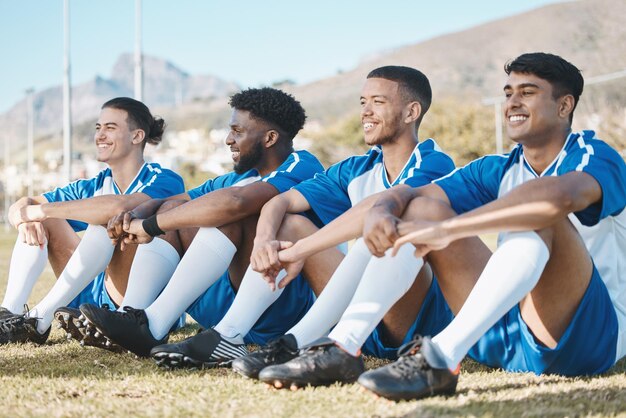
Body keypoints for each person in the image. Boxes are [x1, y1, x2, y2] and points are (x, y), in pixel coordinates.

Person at [349, 52, 625, 401]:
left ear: (564, 105)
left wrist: (452, 229)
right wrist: (383, 207)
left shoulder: (595, 155)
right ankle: (344, 345)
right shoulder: (497, 167)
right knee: (422, 209)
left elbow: (555, 200)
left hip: (582, 339)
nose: (512, 102)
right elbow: (414, 193)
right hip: (503, 337)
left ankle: (441, 357)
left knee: (538, 214)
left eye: (527, 92)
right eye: (508, 92)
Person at [153, 65, 455, 376]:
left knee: (386, 230)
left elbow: (377, 207)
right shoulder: (354, 168)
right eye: (362, 102)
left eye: (377, 102)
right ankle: (229, 335)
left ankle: (298, 341)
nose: (365, 112)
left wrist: (300, 251)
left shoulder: (434, 162)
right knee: (289, 224)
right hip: (356, 311)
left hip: (411, 319)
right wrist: (264, 240)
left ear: (411, 112)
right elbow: (280, 201)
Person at [77, 87, 325, 358]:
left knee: (230, 214)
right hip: (221, 307)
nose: (229, 140)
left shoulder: (302, 165)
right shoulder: (234, 179)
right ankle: (138, 320)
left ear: (270, 138)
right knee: (176, 208)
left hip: (275, 308)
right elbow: (177, 199)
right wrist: (140, 212)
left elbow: (237, 203)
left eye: (237, 131)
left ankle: (157, 324)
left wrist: (150, 226)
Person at [0, 97, 185, 345]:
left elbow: (119, 206)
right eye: (98, 128)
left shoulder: (164, 179)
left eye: (110, 128)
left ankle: (38, 318)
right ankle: (9, 316)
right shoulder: (93, 184)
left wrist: (38, 211)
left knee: (109, 220)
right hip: (93, 293)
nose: (100, 135)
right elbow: (22, 205)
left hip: (136, 300)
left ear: (137, 136)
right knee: (42, 219)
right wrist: (26, 217)